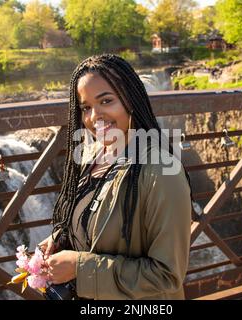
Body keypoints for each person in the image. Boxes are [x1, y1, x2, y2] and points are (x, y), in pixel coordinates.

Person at [38, 54, 192, 300]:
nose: (93, 116)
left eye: (106, 101)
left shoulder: (161, 172)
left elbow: (167, 275)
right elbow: (95, 219)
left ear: (131, 100)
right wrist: (60, 239)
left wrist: (79, 267)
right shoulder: (93, 155)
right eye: (86, 107)